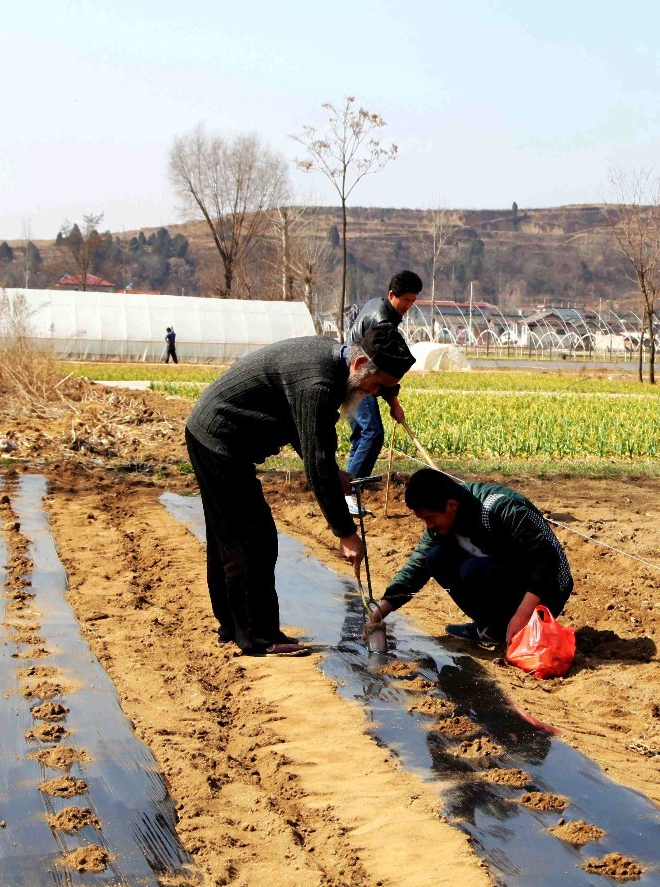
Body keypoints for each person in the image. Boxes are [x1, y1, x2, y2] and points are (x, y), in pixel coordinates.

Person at [185, 324, 415, 656]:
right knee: (252, 538)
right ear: (359, 364)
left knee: (229, 535)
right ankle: (258, 637)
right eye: (375, 385)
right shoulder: (319, 383)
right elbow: (316, 461)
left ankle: (232, 626)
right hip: (219, 439)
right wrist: (345, 531)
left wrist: (334, 472)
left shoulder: (331, 365)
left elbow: (304, 431)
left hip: (214, 435)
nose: (372, 393)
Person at [365, 468, 573, 648]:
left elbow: (547, 559)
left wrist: (523, 614)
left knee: (473, 570)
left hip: (548, 591)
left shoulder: (501, 509)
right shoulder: (444, 524)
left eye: (429, 518)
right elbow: (416, 566)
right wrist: (379, 612)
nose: (429, 525)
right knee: (435, 557)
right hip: (509, 576)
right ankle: (492, 628)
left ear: (451, 506)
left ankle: (516, 626)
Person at [344, 270, 423, 515]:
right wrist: (394, 403)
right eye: (405, 300)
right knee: (372, 433)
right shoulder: (382, 321)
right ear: (392, 294)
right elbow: (385, 368)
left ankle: (346, 490)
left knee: (362, 436)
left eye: (413, 300)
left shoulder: (377, 304)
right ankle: (349, 494)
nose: (409, 305)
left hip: (356, 372)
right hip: (360, 377)